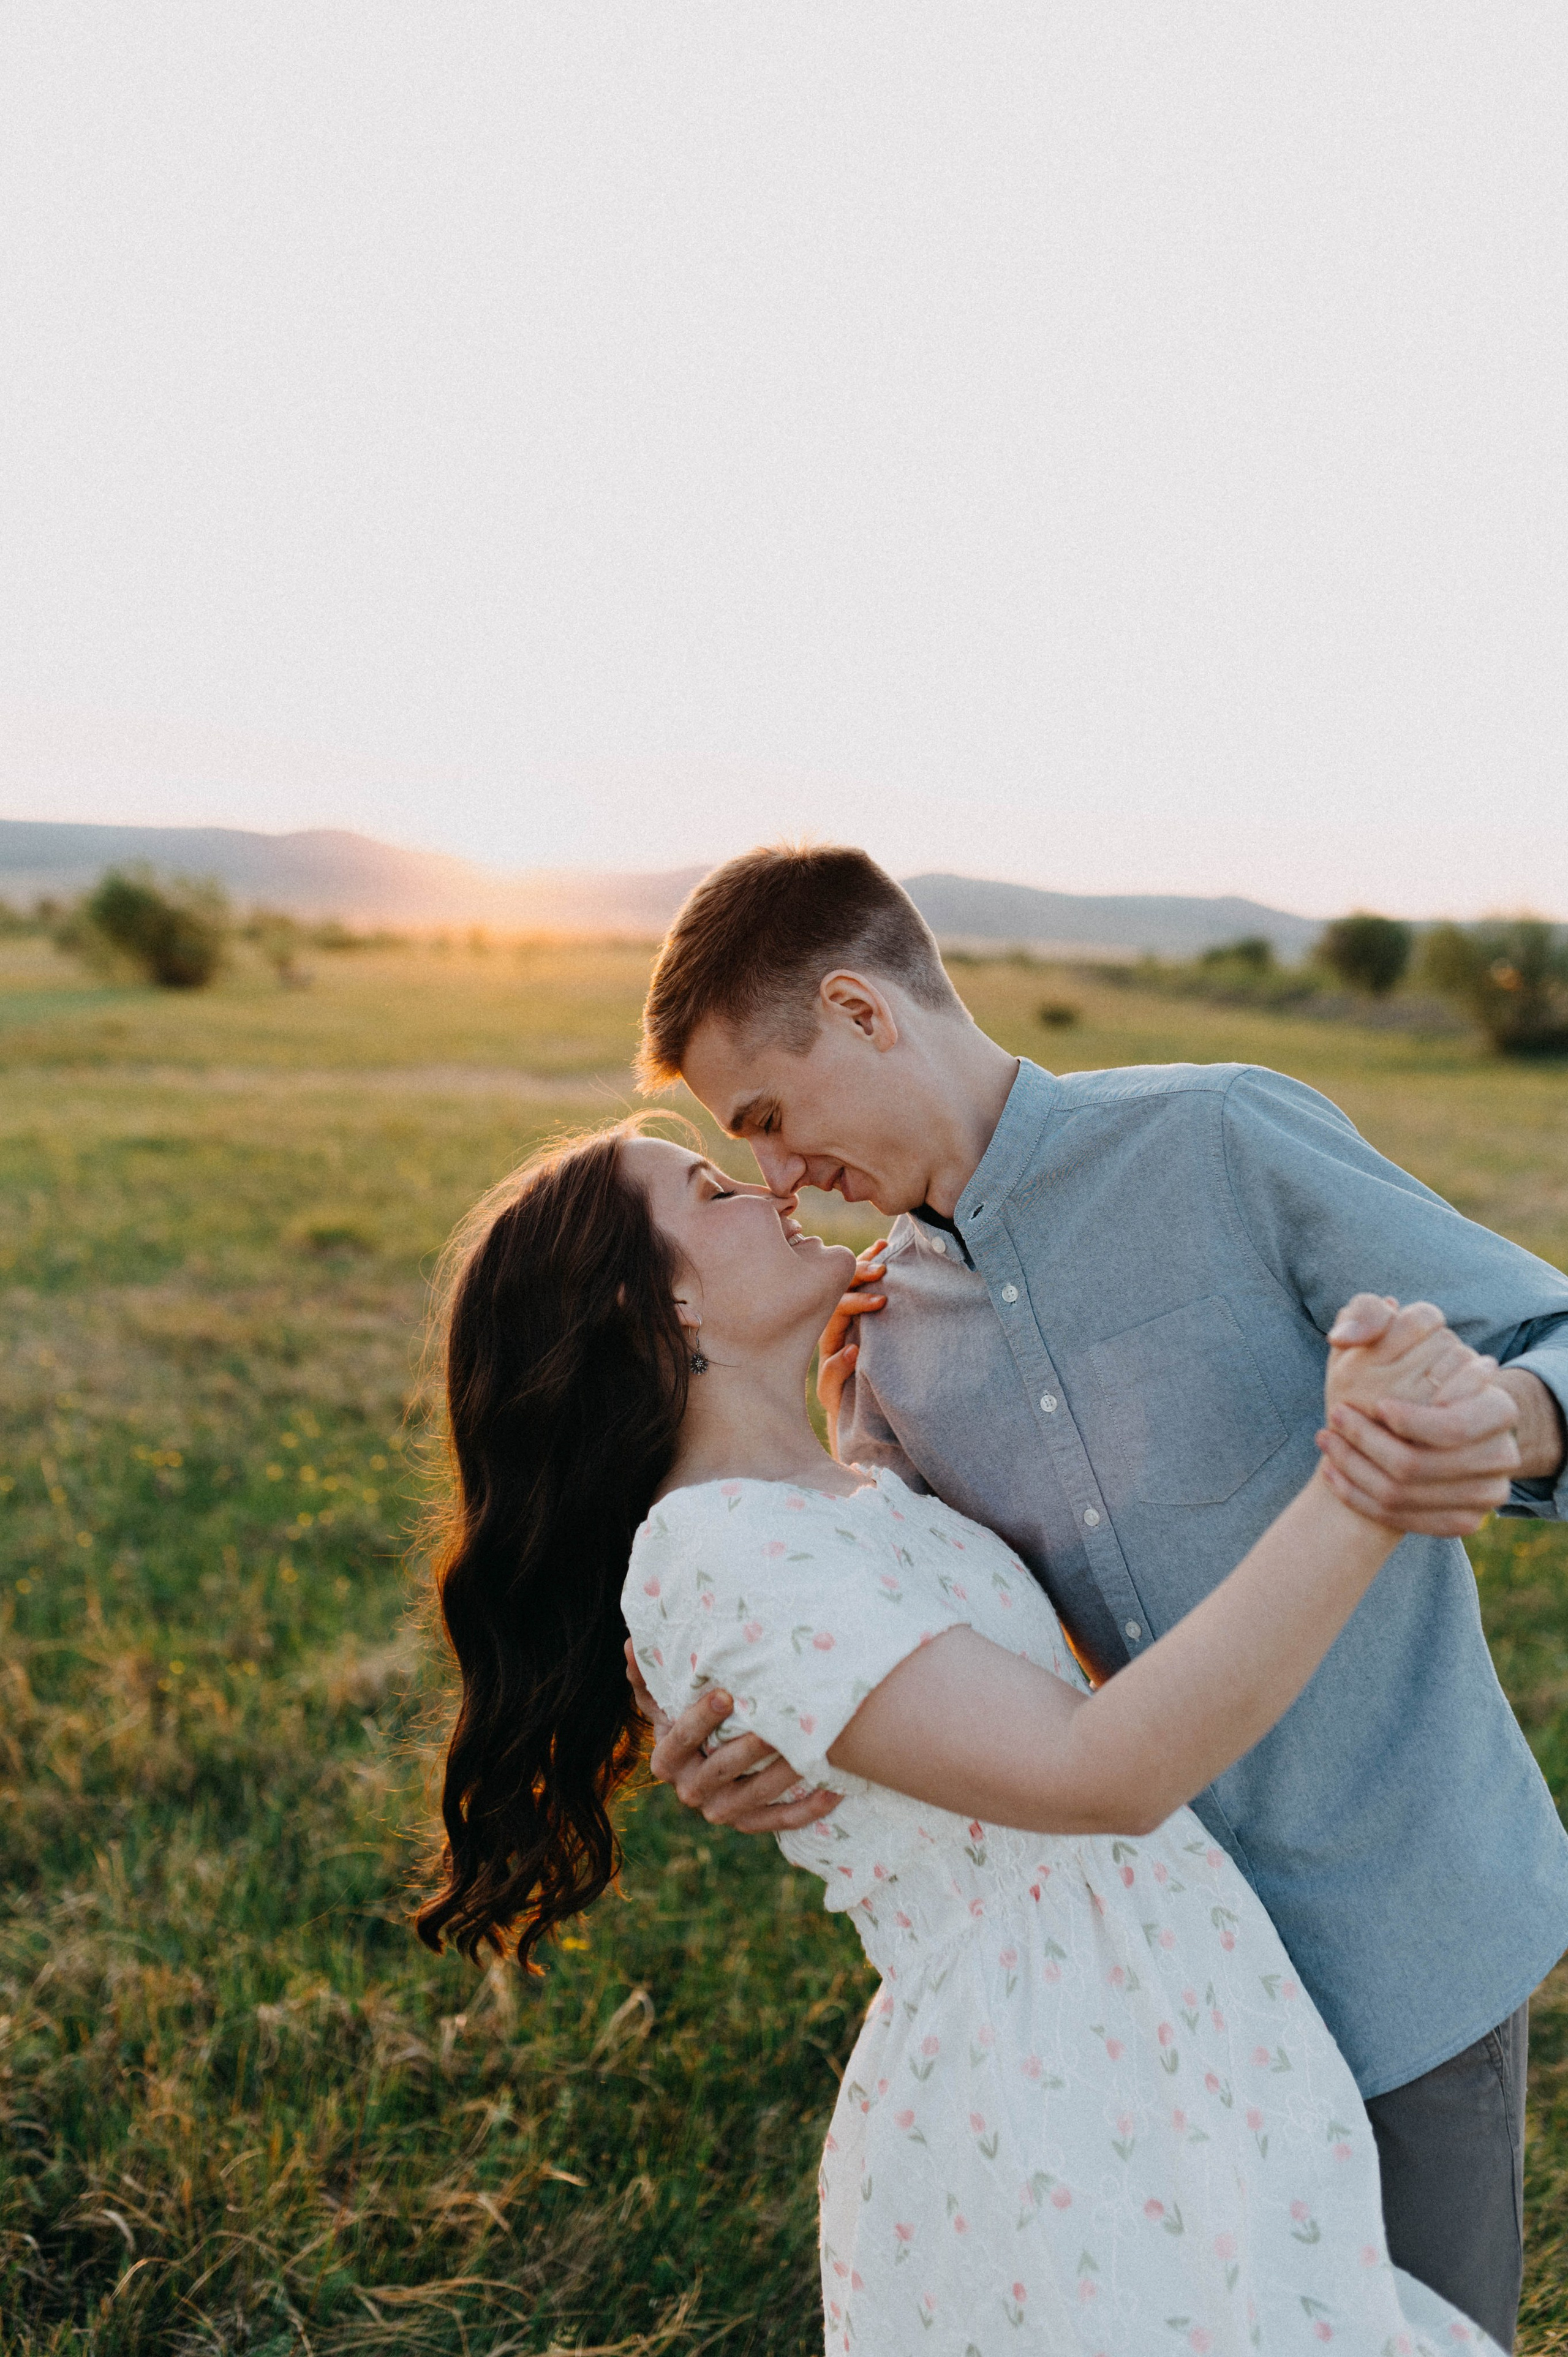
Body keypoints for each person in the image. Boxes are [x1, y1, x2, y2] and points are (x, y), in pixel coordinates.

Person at [628, 843, 1568, 2352]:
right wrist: (755, 1734)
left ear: (865, 1013)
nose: (782, 1176)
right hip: (1148, 2022)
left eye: (769, 1119)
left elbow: (1548, 1328)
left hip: (1395, 1934)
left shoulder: (1217, 1135)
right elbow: (914, 1635)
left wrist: (1500, 1419)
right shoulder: (876, 1350)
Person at [417, 1120, 1513, 2353]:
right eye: (715, 1188)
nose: (771, 1185)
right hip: (1054, 2066)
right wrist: (1364, 1481)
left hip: (1152, 2005)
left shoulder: (839, 1492)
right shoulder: (713, 1549)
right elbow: (1098, 1770)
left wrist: (836, 1397)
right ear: (660, 1299)